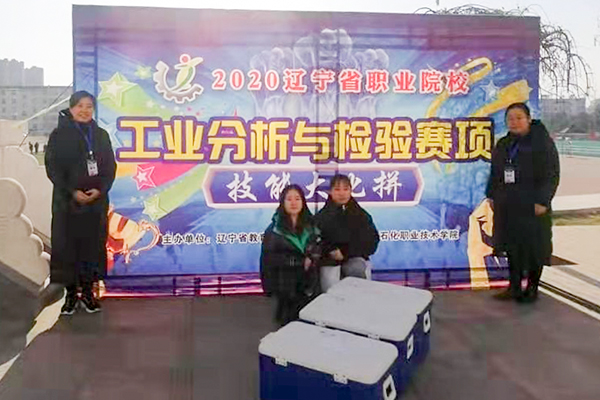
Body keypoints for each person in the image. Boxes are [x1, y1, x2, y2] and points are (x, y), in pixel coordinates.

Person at [45, 91, 116, 315]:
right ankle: (69, 296)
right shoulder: (58, 135)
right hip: (67, 204)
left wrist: (100, 190)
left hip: (95, 204)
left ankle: (87, 293)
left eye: (89, 106)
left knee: (91, 247)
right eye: (80, 106)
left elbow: (110, 168)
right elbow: (53, 168)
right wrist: (72, 191)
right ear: (71, 108)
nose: (84, 110)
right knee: (67, 248)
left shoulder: (101, 135)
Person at [486, 103, 560, 303]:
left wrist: (543, 201)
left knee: (534, 247)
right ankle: (514, 287)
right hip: (509, 204)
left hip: (533, 205)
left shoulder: (542, 143)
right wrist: (491, 195)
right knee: (513, 247)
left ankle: (532, 288)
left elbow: (552, 175)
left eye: (519, 118)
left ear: (528, 119)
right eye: (510, 118)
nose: (514, 122)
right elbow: (495, 173)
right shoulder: (504, 143)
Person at [260, 184, 321, 326]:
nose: (294, 203)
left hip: (308, 282)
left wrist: (313, 256)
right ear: (283, 202)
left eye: (297, 199)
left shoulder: (312, 226)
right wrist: (298, 262)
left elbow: (319, 246)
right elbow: (269, 259)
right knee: (288, 323)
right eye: (289, 199)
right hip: (285, 283)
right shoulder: (274, 230)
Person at [315, 174, 380, 292]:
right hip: (329, 262)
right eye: (337, 189)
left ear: (350, 191)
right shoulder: (321, 217)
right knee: (329, 274)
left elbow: (372, 241)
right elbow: (316, 240)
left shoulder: (361, 215)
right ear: (330, 192)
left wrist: (346, 252)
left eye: (345, 189)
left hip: (354, 258)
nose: (342, 193)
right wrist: (330, 250)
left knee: (356, 267)